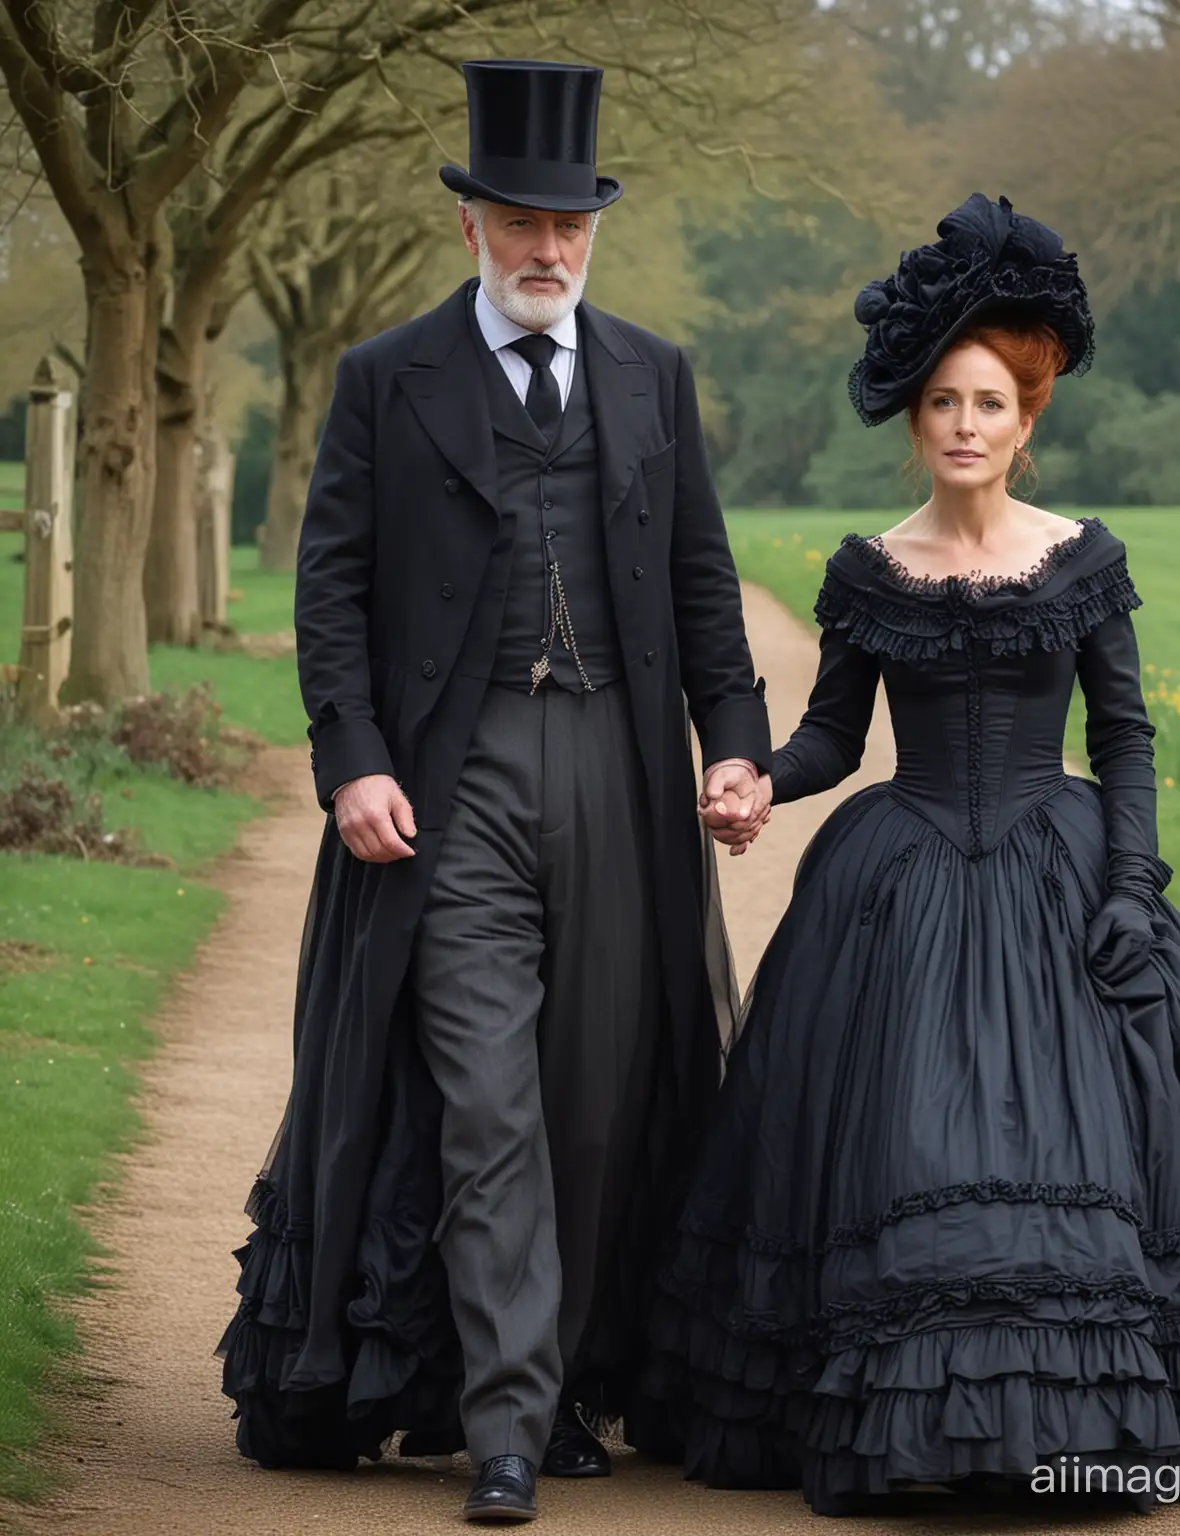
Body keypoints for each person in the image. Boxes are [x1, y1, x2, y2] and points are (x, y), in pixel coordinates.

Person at [652, 194, 1180, 1516]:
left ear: (1027, 422)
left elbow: (1130, 739)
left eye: (989, 403)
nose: (965, 425)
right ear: (916, 421)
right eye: (942, 403)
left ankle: (1085, 1420)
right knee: (909, 1138)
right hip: (904, 876)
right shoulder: (870, 568)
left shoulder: (1084, 561)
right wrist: (758, 773)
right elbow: (832, 734)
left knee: (1099, 1148)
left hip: (1063, 865)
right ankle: (926, 1429)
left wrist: (1130, 887)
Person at [217, 59, 772, 1525]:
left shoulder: (656, 376)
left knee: (593, 1101)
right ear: (471, 224)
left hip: (616, 769)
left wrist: (734, 737)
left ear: (593, 234)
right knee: (487, 1101)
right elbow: (328, 593)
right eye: (520, 221)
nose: (546, 250)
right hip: (450, 784)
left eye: (569, 228)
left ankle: (569, 1373)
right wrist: (353, 760)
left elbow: (705, 582)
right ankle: (507, 1418)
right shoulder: (382, 380)